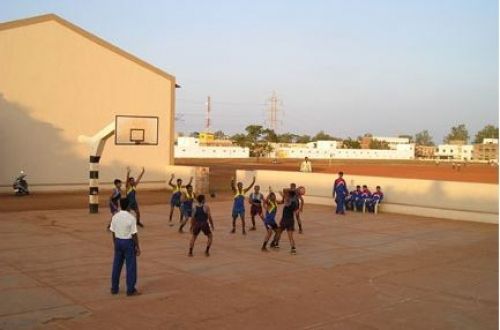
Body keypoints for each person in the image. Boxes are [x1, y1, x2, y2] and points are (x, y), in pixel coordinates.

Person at [110, 198, 141, 296]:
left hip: (118, 241)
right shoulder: (131, 218)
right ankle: (130, 289)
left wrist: (115, 243)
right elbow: (134, 234)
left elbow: (113, 231)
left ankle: (114, 288)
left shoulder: (115, 216)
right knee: (131, 266)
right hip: (128, 242)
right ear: (128, 206)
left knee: (116, 265)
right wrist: (137, 246)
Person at [270, 189, 298, 254]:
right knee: (290, 236)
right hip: (291, 221)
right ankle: (293, 249)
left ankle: (275, 243)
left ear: (289, 195)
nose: (286, 194)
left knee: (279, 232)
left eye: (288, 194)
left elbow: (284, 194)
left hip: (285, 220)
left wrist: (282, 193)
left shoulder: (288, 201)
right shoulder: (295, 202)